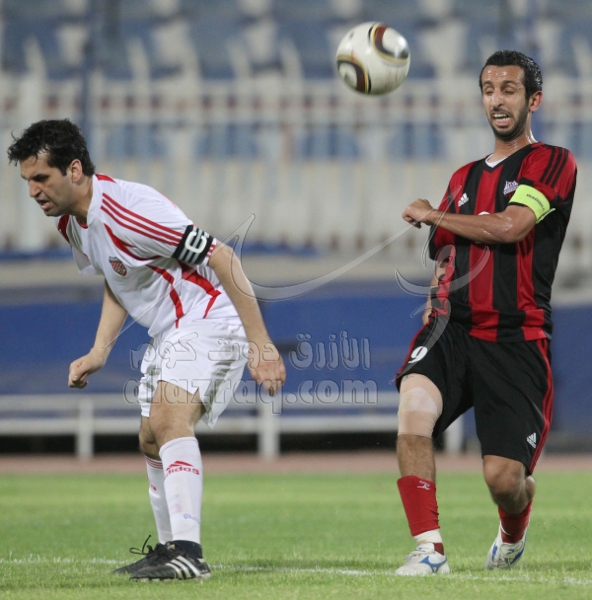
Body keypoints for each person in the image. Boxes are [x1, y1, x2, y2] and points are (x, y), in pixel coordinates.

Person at [7, 119, 286, 581]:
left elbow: (223, 257)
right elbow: (117, 278)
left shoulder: (130, 211)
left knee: (168, 419)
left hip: (208, 315)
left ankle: (189, 554)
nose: (34, 190)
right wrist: (99, 350)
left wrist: (262, 344)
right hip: (172, 329)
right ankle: (170, 547)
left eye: (41, 177)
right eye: (27, 181)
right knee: (150, 437)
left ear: (74, 169)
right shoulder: (72, 223)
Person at [394, 50, 577, 575]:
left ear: (533, 100)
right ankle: (429, 550)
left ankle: (513, 529)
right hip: (452, 329)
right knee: (413, 413)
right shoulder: (463, 177)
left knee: (504, 479)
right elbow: (446, 255)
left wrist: (434, 213)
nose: (497, 100)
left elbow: (510, 227)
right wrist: (435, 297)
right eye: (489, 90)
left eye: (509, 90)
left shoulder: (553, 161)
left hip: (516, 337)